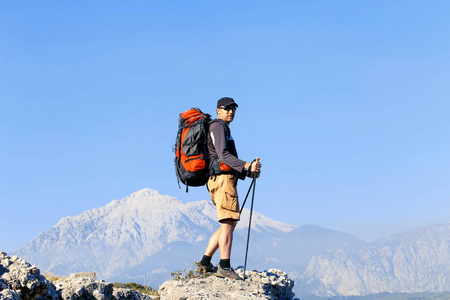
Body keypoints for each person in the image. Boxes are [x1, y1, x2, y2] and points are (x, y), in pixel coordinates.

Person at [197, 97, 261, 280]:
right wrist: (248, 165)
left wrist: (246, 172)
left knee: (229, 222)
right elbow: (223, 155)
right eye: (227, 108)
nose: (231, 111)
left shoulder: (223, 128)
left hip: (222, 178)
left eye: (233, 109)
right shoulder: (218, 126)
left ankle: (205, 262)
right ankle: (224, 266)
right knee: (227, 221)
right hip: (222, 180)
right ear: (218, 110)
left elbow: (224, 160)